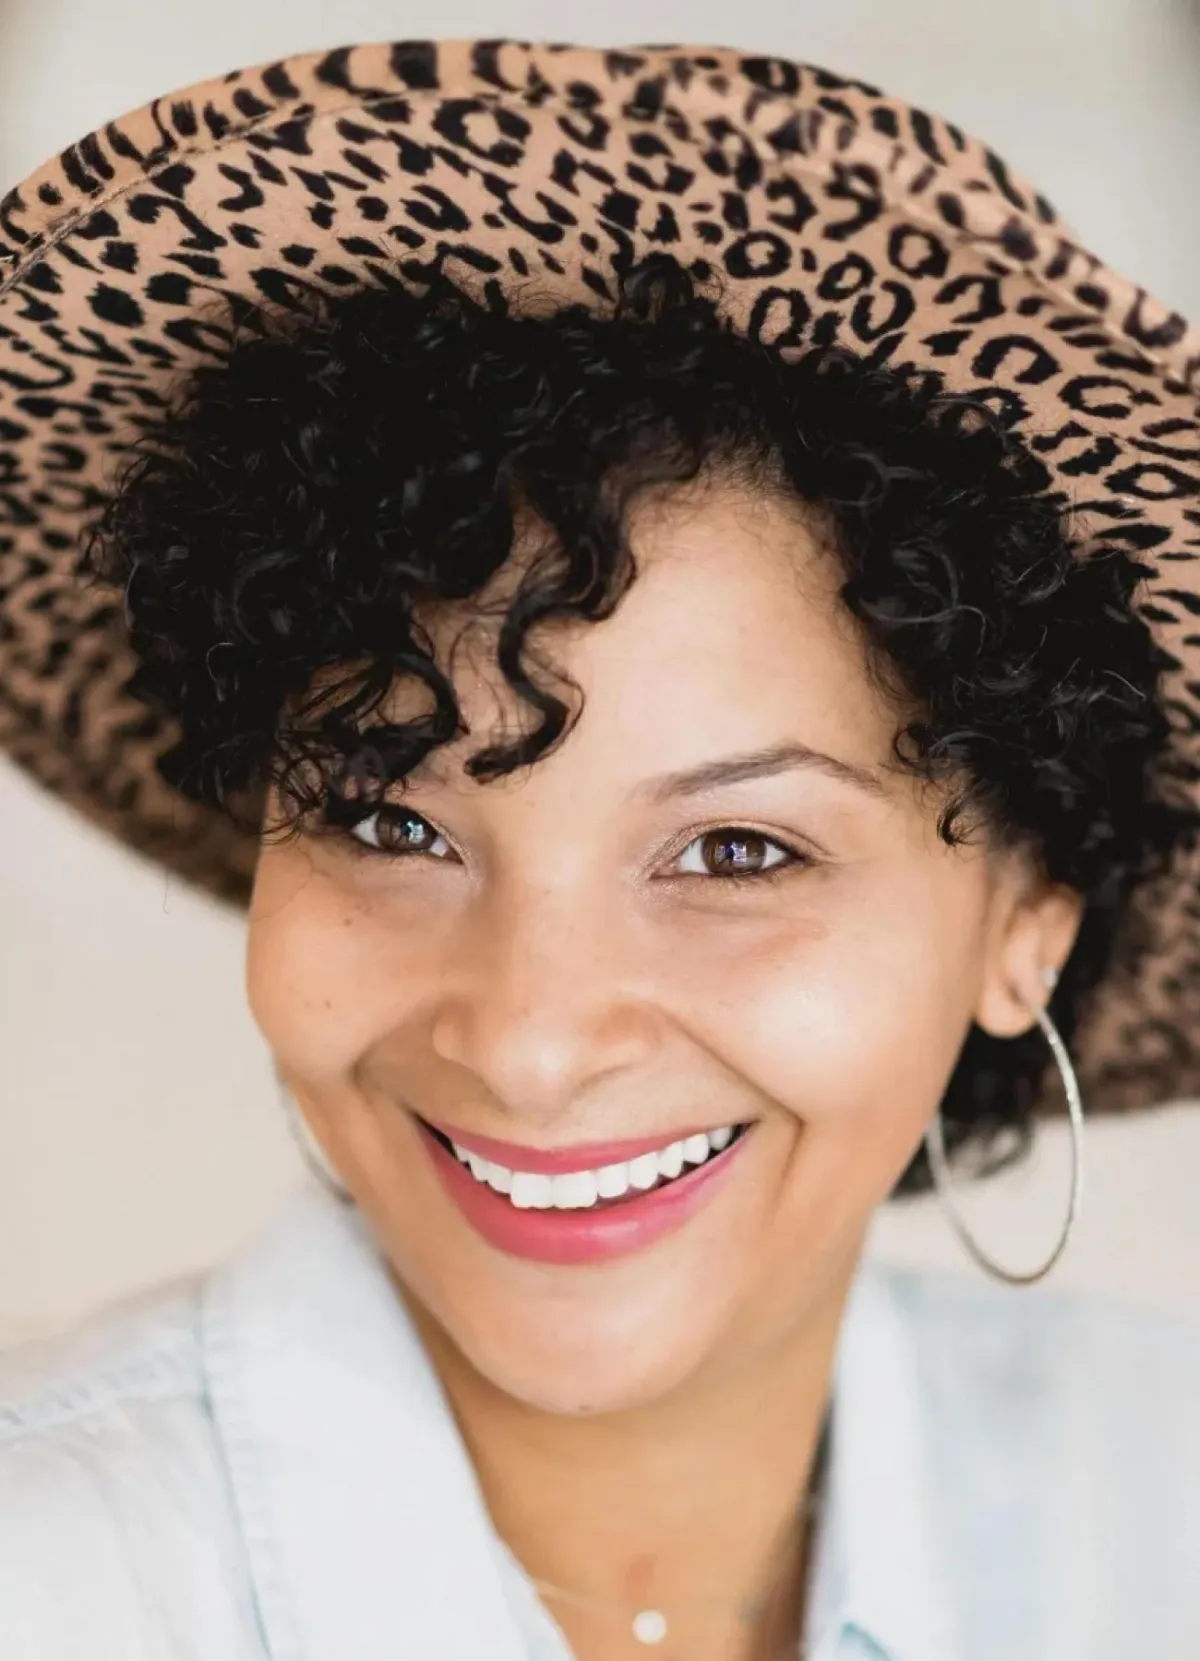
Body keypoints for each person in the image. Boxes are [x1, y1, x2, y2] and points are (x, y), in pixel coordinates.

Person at [0, 38, 1198, 1661]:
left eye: (735, 852)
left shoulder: (1156, 1513)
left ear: (1027, 921)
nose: (532, 1040)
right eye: (389, 817)